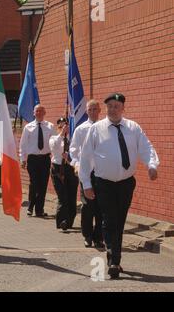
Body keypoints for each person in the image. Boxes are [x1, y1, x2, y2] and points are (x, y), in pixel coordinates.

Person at [79, 93, 159, 279]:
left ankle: (116, 258)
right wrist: (87, 184)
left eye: (116, 106)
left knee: (120, 220)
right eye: (110, 106)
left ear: (123, 108)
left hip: (126, 184)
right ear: (105, 109)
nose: (113, 109)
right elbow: (85, 158)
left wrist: (152, 165)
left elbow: (145, 147)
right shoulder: (96, 129)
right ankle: (113, 261)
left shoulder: (133, 128)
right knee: (109, 219)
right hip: (104, 183)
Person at [70, 99, 104, 248]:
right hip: (86, 172)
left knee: (101, 207)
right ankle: (87, 235)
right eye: (90, 109)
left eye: (95, 109)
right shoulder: (81, 129)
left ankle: (99, 237)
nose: (93, 112)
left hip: (102, 173)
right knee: (88, 206)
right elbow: (73, 150)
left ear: (100, 110)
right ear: (86, 111)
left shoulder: (105, 128)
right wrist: (76, 164)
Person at [19, 104, 56, 217]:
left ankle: (40, 209)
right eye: (37, 111)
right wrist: (22, 159)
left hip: (45, 159)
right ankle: (30, 207)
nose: (39, 113)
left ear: (44, 113)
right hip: (33, 159)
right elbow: (23, 144)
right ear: (33, 113)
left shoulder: (50, 126)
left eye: (41, 111)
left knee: (43, 184)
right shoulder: (28, 127)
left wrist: (55, 158)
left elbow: (55, 144)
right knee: (34, 183)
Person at [49, 117, 78, 231]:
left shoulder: (73, 140)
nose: (63, 128)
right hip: (58, 169)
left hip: (70, 168)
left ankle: (69, 222)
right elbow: (54, 147)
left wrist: (69, 158)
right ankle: (61, 220)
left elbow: (77, 153)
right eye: (61, 126)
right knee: (62, 196)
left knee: (71, 196)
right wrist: (62, 133)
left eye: (65, 126)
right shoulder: (54, 138)